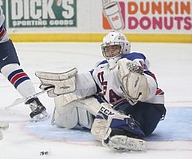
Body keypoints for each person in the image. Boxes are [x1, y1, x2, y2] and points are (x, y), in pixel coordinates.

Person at [35, 31, 166, 151]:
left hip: (146, 108)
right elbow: (88, 81)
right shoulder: (102, 68)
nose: (111, 52)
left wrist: (136, 77)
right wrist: (67, 84)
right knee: (86, 103)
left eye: (114, 48)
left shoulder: (132, 59)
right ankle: (120, 128)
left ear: (124, 47)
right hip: (123, 110)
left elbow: (144, 72)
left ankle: (128, 127)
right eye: (107, 49)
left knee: (123, 67)